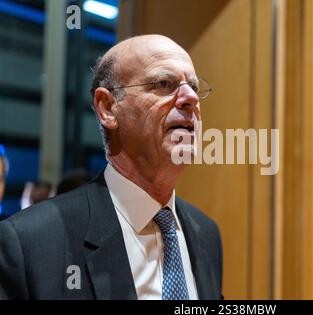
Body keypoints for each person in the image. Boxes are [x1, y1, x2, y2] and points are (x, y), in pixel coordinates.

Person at [0, 35, 223, 300]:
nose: (190, 98)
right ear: (107, 107)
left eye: (194, 88)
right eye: (164, 84)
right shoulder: (31, 242)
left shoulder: (206, 233)